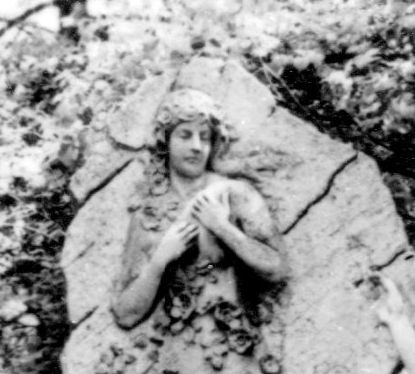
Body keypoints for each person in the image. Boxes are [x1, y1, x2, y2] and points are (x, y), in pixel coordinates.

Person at [112, 87, 285, 331]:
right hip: (172, 349)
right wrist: (159, 260)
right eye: (185, 135)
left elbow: (276, 269)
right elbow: (125, 314)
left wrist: (222, 228)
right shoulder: (148, 214)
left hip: (233, 341)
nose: (196, 146)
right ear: (166, 140)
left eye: (204, 137)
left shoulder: (234, 194)